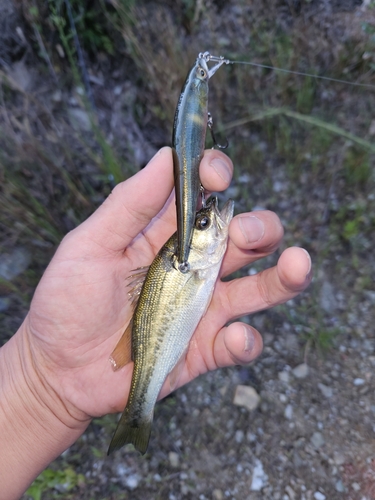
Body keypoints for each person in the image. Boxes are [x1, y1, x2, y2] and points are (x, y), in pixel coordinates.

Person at [0, 147, 312, 500]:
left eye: (203, 222)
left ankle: (137, 416)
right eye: (204, 224)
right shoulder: (182, 265)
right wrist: (39, 381)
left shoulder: (190, 264)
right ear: (188, 252)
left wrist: (37, 387)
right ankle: (138, 414)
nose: (210, 219)